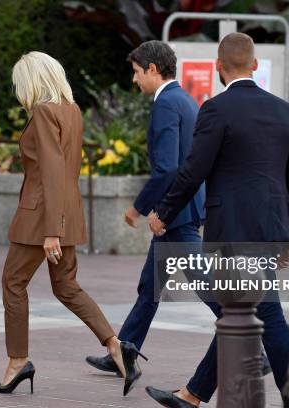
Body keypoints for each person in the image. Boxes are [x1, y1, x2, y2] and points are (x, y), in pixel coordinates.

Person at [146, 33, 289, 407]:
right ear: (254, 65)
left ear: (219, 67)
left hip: (233, 229)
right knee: (241, 309)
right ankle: (194, 394)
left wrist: (164, 213)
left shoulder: (216, 109)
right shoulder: (286, 110)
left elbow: (193, 170)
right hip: (270, 227)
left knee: (265, 313)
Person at [0, 51, 145, 397]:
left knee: (13, 283)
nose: (18, 90)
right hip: (66, 212)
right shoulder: (71, 111)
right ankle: (117, 346)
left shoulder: (43, 112)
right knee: (66, 286)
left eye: (20, 83)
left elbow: (53, 170)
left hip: (41, 216)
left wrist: (50, 230)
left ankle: (17, 362)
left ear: (32, 81)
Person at [85, 40, 225, 379]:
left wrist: (140, 208)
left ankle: (252, 343)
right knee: (149, 287)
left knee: (206, 286)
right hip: (184, 207)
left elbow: (168, 169)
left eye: (136, 72)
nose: (134, 80)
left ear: (152, 69)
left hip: (177, 214)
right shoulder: (185, 99)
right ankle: (125, 351)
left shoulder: (166, 104)